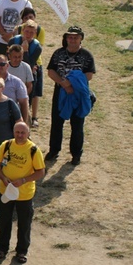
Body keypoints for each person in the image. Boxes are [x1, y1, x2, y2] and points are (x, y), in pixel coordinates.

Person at [0, 122, 45, 263]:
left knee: (24, 223)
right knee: (4, 221)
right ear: (13, 132)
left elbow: (40, 172)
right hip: (5, 191)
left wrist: (24, 180)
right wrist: (2, 177)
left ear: (28, 133)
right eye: (17, 132)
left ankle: (22, 251)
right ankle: (2, 248)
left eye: (23, 132)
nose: (20, 135)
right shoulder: (6, 145)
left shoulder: (33, 150)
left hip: (25, 194)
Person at [45, 26, 95, 165]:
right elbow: (51, 71)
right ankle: (54, 150)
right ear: (66, 39)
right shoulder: (58, 53)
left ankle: (76, 154)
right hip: (61, 92)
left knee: (77, 124)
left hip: (78, 94)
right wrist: (63, 83)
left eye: (76, 37)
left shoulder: (86, 55)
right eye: (70, 37)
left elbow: (89, 74)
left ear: (81, 39)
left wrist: (72, 84)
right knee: (57, 122)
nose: (73, 40)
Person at [11, 18, 43, 127]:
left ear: (35, 33)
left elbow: (30, 65)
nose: (28, 34)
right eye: (27, 31)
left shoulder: (37, 46)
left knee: (24, 104)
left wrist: (25, 51)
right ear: (22, 30)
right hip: (12, 72)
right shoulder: (13, 41)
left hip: (27, 76)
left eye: (32, 32)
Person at [0, 53, 30, 122]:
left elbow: (24, 103)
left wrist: (23, 123)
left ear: (7, 65)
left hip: (10, 120)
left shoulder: (16, 82)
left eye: (2, 64)